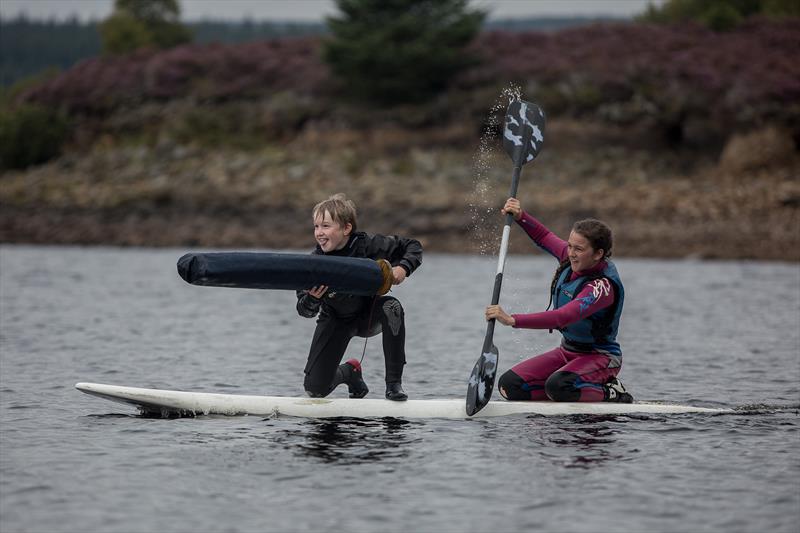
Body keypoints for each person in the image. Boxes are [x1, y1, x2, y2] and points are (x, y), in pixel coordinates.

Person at [485, 197, 633, 403]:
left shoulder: (601, 287)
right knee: (509, 386)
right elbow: (544, 236)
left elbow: (564, 316)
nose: (570, 253)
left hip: (600, 358)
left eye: (578, 249)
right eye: (570, 246)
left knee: (559, 386)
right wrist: (521, 216)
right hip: (567, 352)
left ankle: (612, 393)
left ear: (598, 253)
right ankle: (564, 394)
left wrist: (513, 320)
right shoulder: (571, 256)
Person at [296, 193, 422, 401]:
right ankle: (350, 372)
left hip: (368, 315)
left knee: (392, 307)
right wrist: (313, 299)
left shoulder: (368, 245)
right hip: (334, 320)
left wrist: (403, 268)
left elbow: (413, 246)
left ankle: (394, 385)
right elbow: (303, 310)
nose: (319, 233)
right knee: (315, 390)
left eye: (326, 226)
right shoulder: (313, 264)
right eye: (316, 226)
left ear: (346, 228)